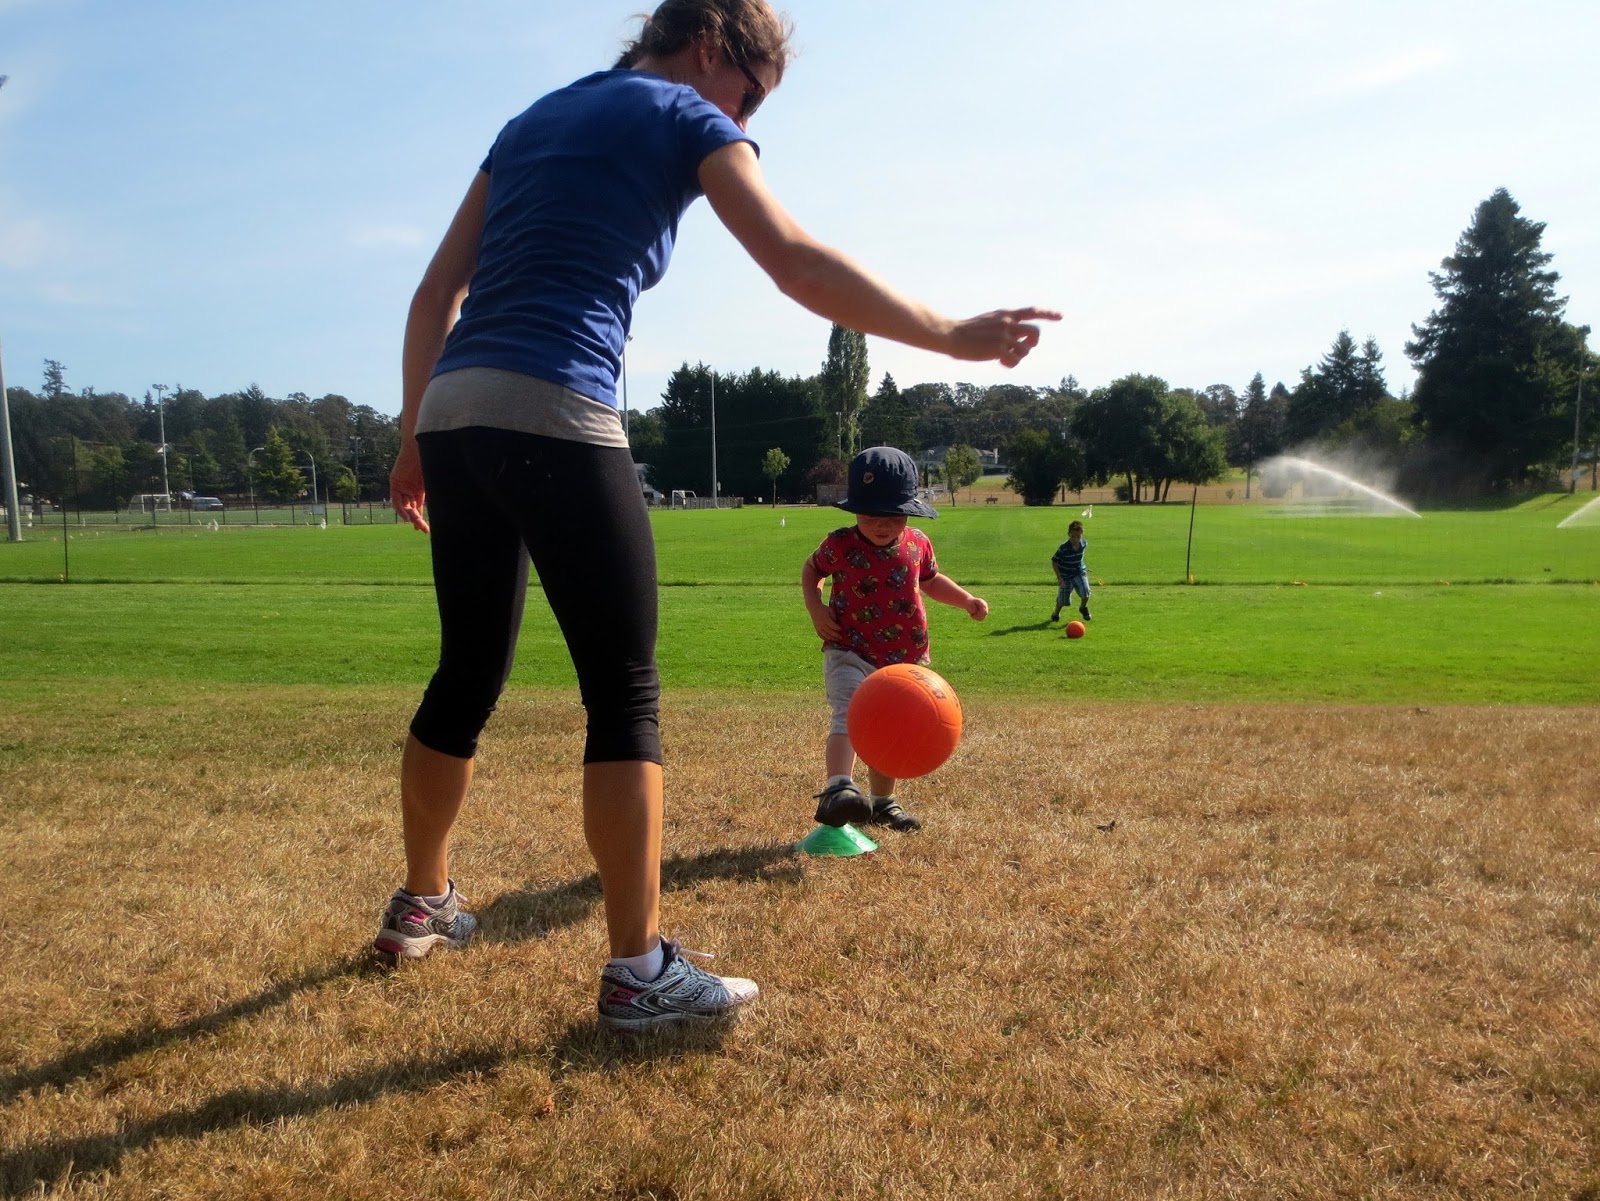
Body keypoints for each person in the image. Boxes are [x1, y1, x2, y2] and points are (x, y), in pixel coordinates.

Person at [378, 0, 1059, 1031]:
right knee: (624, 694)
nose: (747, 120)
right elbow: (793, 260)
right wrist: (948, 335)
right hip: (555, 404)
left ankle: (422, 902)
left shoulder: (531, 119)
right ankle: (639, 972)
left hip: (457, 410)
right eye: (750, 95)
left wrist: (412, 438)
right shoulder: (684, 114)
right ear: (710, 49)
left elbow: (436, 293)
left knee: (467, 669)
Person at [801, 447, 988, 834]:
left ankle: (883, 803)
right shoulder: (840, 544)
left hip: (902, 659)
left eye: (891, 515)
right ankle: (838, 788)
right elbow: (811, 570)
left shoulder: (918, 543)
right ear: (854, 510)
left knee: (888, 728)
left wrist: (966, 600)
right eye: (870, 514)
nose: (880, 525)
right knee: (851, 713)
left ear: (910, 510)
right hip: (848, 649)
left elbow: (931, 580)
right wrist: (816, 609)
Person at [1051, 520, 1091, 624]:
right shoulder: (1064, 548)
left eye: (1078, 536)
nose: (1075, 539)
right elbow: (1054, 561)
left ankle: (1083, 608)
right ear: (1068, 534)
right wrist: (1060, 578)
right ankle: (1056, 614)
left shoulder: (1084, 544)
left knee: (1085, 592)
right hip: (1065, 576)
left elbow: (1080, 556)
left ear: (1081, 535)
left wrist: (1082, 568)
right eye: (1072, 536)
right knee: (1062, 600)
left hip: (1078, 572)